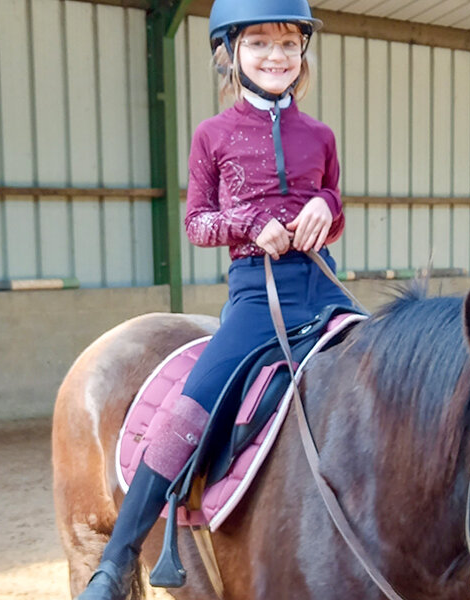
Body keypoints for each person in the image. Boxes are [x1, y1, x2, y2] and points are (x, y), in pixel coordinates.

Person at [77, 1, 350, 598]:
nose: (276, 56)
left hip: (323, 287)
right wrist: (252, 226)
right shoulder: (214, 135)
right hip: (257, 295)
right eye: (259, 44)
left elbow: (334, 203)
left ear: (302, 52)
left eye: (287, 44)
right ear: (231, 54)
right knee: (190, 407)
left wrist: (324, 209)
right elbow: (198, 221)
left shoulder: (320, 135)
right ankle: (119, 559)